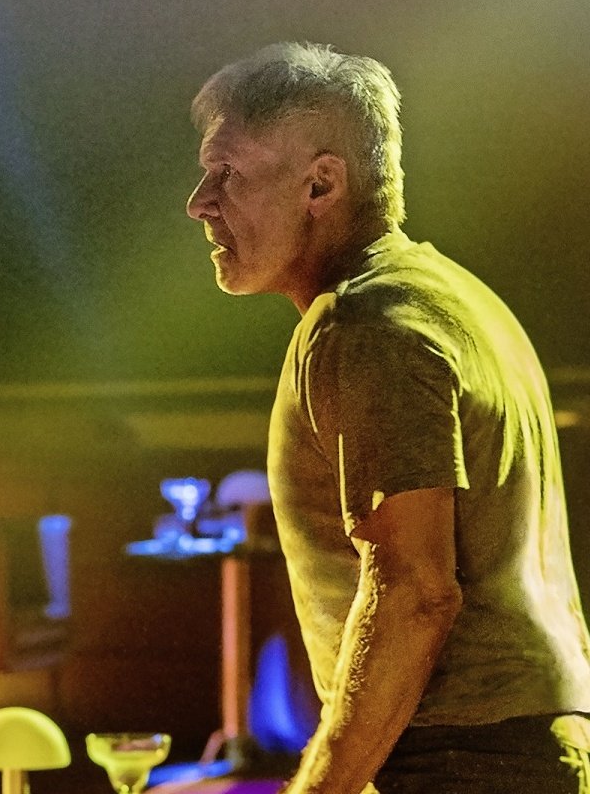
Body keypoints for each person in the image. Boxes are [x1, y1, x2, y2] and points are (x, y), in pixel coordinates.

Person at [185, 42, 590, 793]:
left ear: (321, 183)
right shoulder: (454, 298)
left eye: (228, 173)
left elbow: (415, 593)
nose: (200, 201)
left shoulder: (366, 325)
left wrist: (320, 789)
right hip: (507, 749)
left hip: (460, 761)